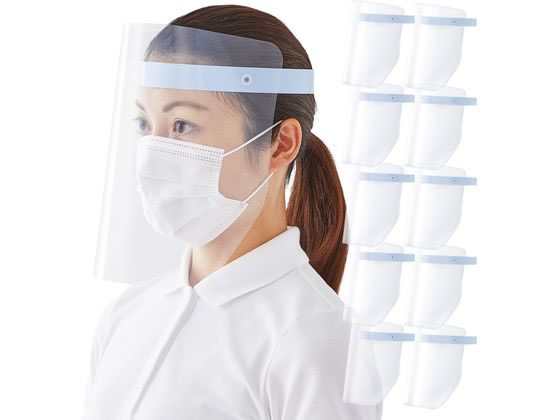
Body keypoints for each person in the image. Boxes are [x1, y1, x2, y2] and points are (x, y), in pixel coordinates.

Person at [84, 4, 383, 419]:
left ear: (280, 145)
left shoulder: (317, 337)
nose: (154, 151)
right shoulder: (126, 314)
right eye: (143, 124)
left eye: (182, 125)